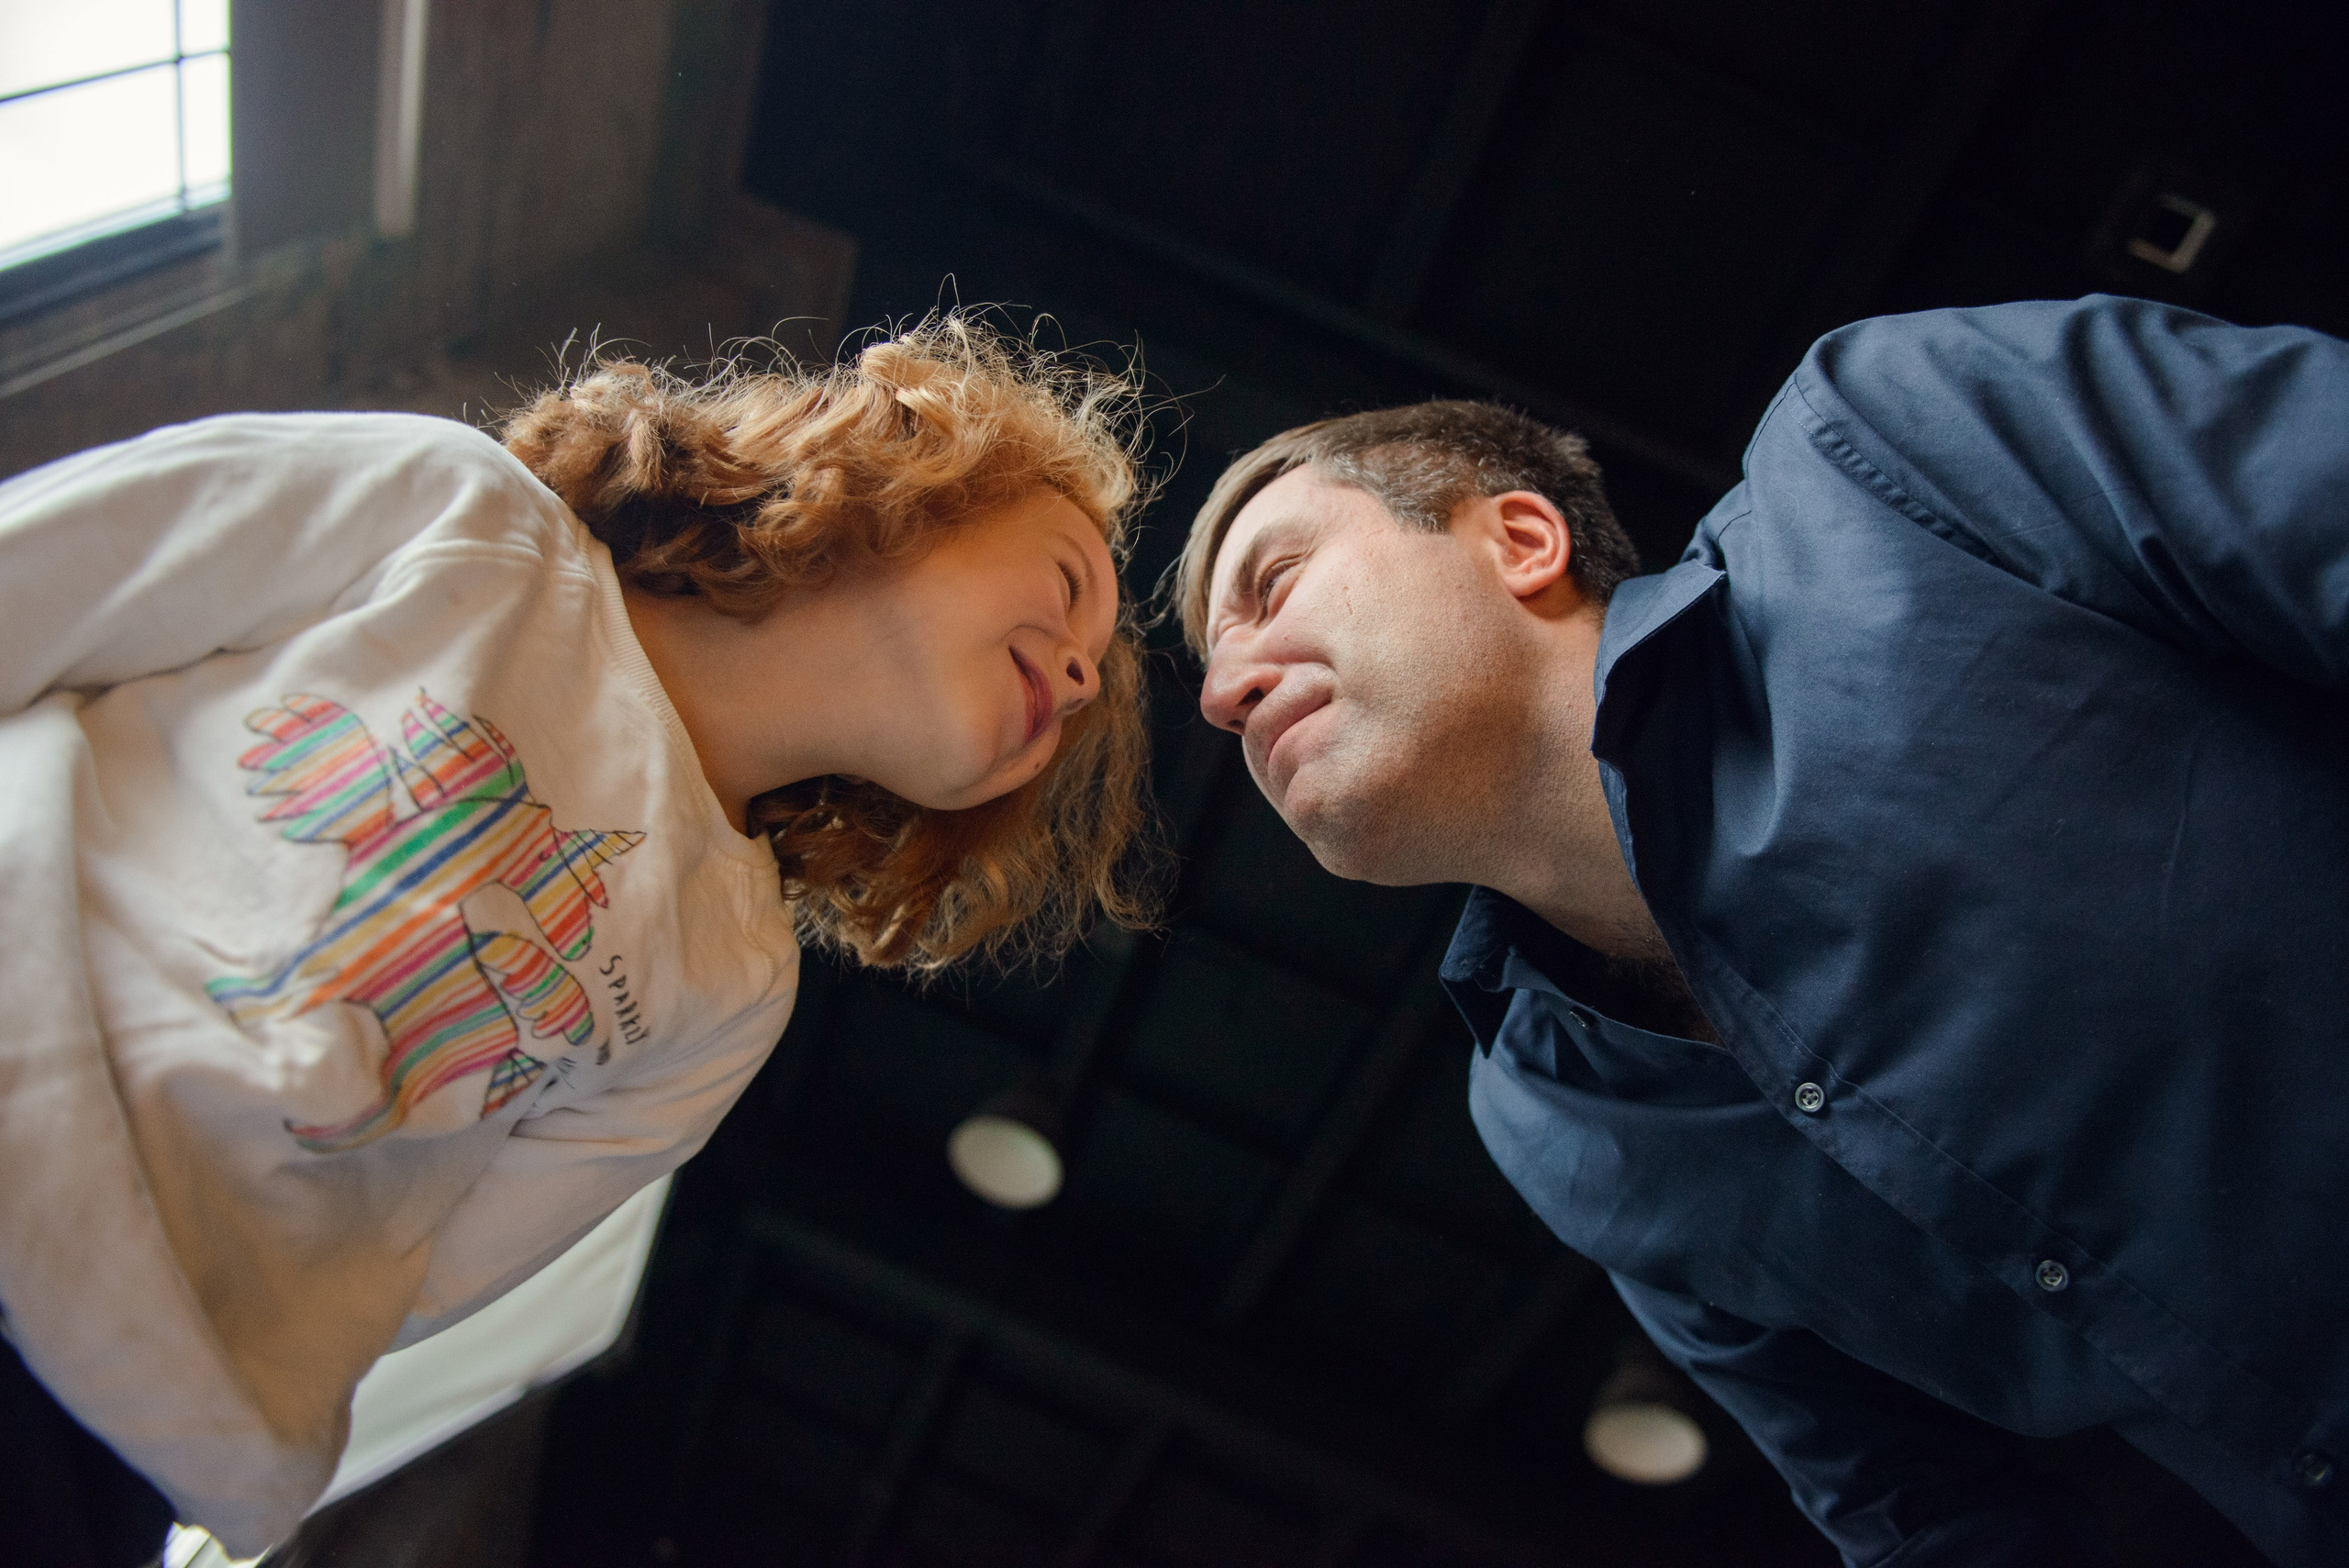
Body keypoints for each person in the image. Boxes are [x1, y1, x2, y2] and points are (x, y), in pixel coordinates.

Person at [1178, 295, 2349, 1567]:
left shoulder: (1890, 449)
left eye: (1273, 582)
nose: (1223, 692)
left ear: (1519, 538)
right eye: (1214, 666)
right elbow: (1926, 1519)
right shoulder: (1548, 1119)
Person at [0, 314, 1158, 1559]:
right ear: (923, 471)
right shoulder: (465, 516)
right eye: (1070, 585)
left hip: (102, 1432)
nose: (1080, 679)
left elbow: (419, 1271)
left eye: (1083, 692)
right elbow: (36, 582)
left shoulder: (736, 991)